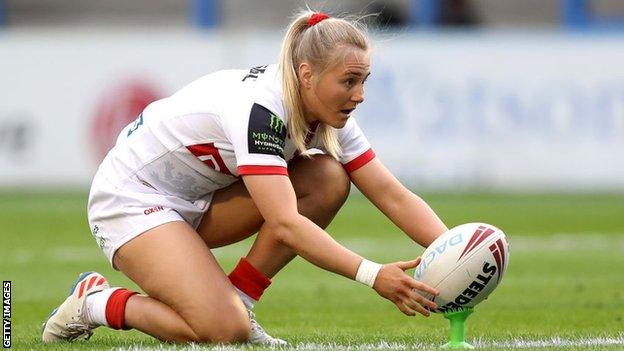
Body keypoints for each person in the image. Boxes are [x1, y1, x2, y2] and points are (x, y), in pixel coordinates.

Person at [42, 10, 448, 345]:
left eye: (364, 81)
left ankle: (238, 299)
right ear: (306, 75)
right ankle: (95, 301)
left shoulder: (328, 113)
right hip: (130, 202)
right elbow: (286, 223)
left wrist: (458, 248)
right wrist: (374, 275)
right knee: (223, 331)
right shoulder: (261, 110)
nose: (360, 94)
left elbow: (391, 195)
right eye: (349, 81)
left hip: (195, 201)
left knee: (327, 178)